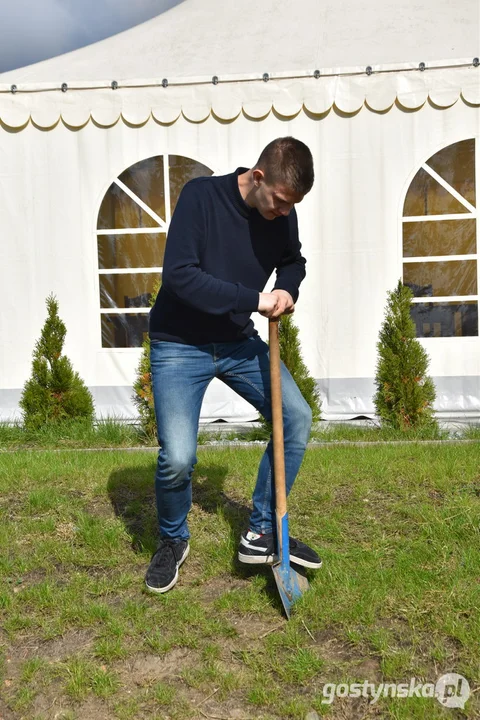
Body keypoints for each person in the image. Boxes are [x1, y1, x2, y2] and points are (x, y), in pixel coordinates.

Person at [145, 136, 322, 593]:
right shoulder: (201, 197)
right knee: (179, 459)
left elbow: (293, 261)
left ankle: (260, 531)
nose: (284, 213)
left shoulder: (282, 212)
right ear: (258, 177)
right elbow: (180, 276)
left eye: (292, 206)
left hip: (237, 342)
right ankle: (172, 540)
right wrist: (255, 299)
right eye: (281, 202)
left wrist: (287, 288)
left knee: (297, 418)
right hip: (179, 344)